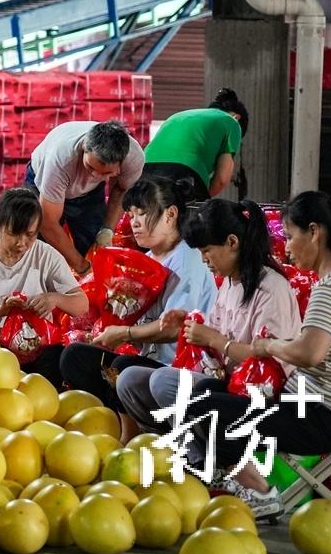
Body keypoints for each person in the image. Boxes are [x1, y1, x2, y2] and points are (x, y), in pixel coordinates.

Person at [123, 192, 331, 519]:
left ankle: (259, 492)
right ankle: (221, 476)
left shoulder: (330, 288)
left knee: (201, 407)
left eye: (292, 236)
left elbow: (309, 352)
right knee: (156, 386)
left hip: (324, 415)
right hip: (314, 406)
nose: (287, 247)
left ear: (315, 232)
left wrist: (267, 347)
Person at [114, 197, 302, 494]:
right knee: (129, 380)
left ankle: (209, 467)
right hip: (223, 378)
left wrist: (213, 339)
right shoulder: (228, 282)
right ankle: (191, 454)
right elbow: (217, 332)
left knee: (164, 382)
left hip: (258, 392)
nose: (203, 260)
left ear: (232, 243)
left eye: (206, 251)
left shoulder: (271, 288)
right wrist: (189, 322)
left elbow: (270, 359)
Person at [58, 175, 218, 423]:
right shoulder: (148, 261)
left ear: (170, 214)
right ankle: (106, 421)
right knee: (74, 357)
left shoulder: (188, 259)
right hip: (146, 359)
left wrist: (124, 334)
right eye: (131, 215)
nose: (134, 223)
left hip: (179, 368)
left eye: (142, 213)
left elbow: (174, 329)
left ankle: (131, 433)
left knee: (122, 367)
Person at [0, 186, 89, 386]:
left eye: (30, 235)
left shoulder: (45, 255)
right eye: (14, 233)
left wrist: (54, 298)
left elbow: (81, 304)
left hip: (36, 346)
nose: (22, 243)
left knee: (59, 358)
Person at [26, 119, 145, 274]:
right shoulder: (60, 160)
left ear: (121, 164)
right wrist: (82, 267)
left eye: (106, 173)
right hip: (43, 180)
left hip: (89, 192)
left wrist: (107, 230)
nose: (96, 175)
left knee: (93, 240)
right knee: (41, 248)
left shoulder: (134, 158)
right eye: (91, 167)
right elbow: (48, 223)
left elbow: (121, 189)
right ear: (84, 148)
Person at [142, 89, 250, 202]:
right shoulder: (232, 122)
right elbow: (222, 180)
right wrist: (202, 200)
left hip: (145, 169)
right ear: (237, 117)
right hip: (183, 173)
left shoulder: (179, 115)